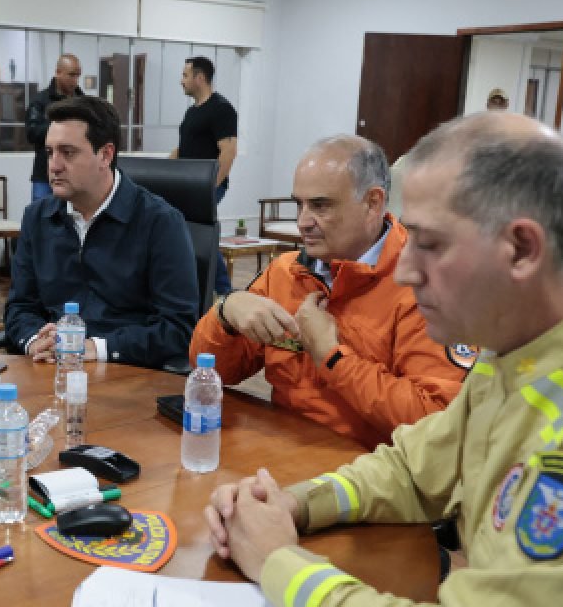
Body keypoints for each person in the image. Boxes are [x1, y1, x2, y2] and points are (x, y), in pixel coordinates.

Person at [205, 112, 563, 607]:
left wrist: (278, 563)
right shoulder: (525, 346)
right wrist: (296, 503)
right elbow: (414, 464)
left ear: (520, 249)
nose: (407, 273)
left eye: (428, 245)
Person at [190, 135, 464, 449]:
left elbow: (434, 422)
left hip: (367, 479)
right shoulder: (285, 272)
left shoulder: (423, 286)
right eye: (299, 204)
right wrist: (226, 312)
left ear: (373, 203)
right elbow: (210, 372)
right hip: (281, 457)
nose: (303, 222)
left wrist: (332, 358)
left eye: (321, 205)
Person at [4, 95, 198, 368]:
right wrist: (36, 340)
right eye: (50, 153)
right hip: (52, 370)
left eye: (67, 152)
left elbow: (177, 329)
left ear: (105, 155)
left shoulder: (160, 222)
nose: (54, 165)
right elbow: (20, 307)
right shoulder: (37, 217)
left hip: (128, 373)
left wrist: (97, 347)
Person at [171, 56, 238, 295]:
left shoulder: (221, 109)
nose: (181, 81)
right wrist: (164, 173)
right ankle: (201, 287)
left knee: (198, 236)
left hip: (207, 186)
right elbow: (183, 149)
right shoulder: (192, 112)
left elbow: (228, 152)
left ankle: (223, 291)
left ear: (200, 78)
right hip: (187, 186)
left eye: (185, 75)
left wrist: (211, 187)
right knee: (189, 233)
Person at [25, 53, 83, 202]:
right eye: (71, 75)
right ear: (58, 73)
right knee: (40, 219)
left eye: (78, 76)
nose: (75, 81)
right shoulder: (40, 101)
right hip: (45, 175)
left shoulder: (83, 103)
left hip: (74, 175)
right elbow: (32, 133)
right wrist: (59, 124)